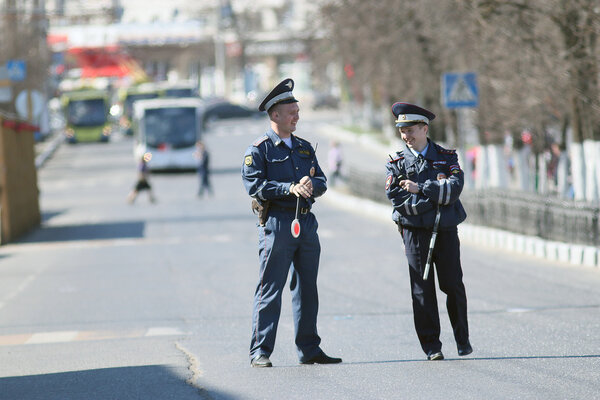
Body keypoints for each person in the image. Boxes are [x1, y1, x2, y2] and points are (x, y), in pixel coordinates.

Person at [241, 78, 342, 368]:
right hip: (277, 223)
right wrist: (289, 188)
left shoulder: (304, 147)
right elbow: (255, 185)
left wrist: (312, 183)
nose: (296, 116)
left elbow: (321, 180)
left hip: (306, 224)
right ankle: (260, 350)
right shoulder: (259, 150)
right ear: (274, 115)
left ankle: (309, 349)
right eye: (291, 112)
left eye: (297, 110)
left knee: (307, 288)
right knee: (270, 289)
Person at [384, 102, 472, 361]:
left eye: (410, 130)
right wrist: (434, 198)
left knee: (453, 284)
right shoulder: (396, 163)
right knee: (422, 289)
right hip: (414, 233)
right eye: (402, 131)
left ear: (424, 128)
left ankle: (462, 338)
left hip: (445, 231)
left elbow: (454, 190)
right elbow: (399, 200)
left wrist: (421, 189)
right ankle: (432, 345)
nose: (406, 136)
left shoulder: (446, 157)